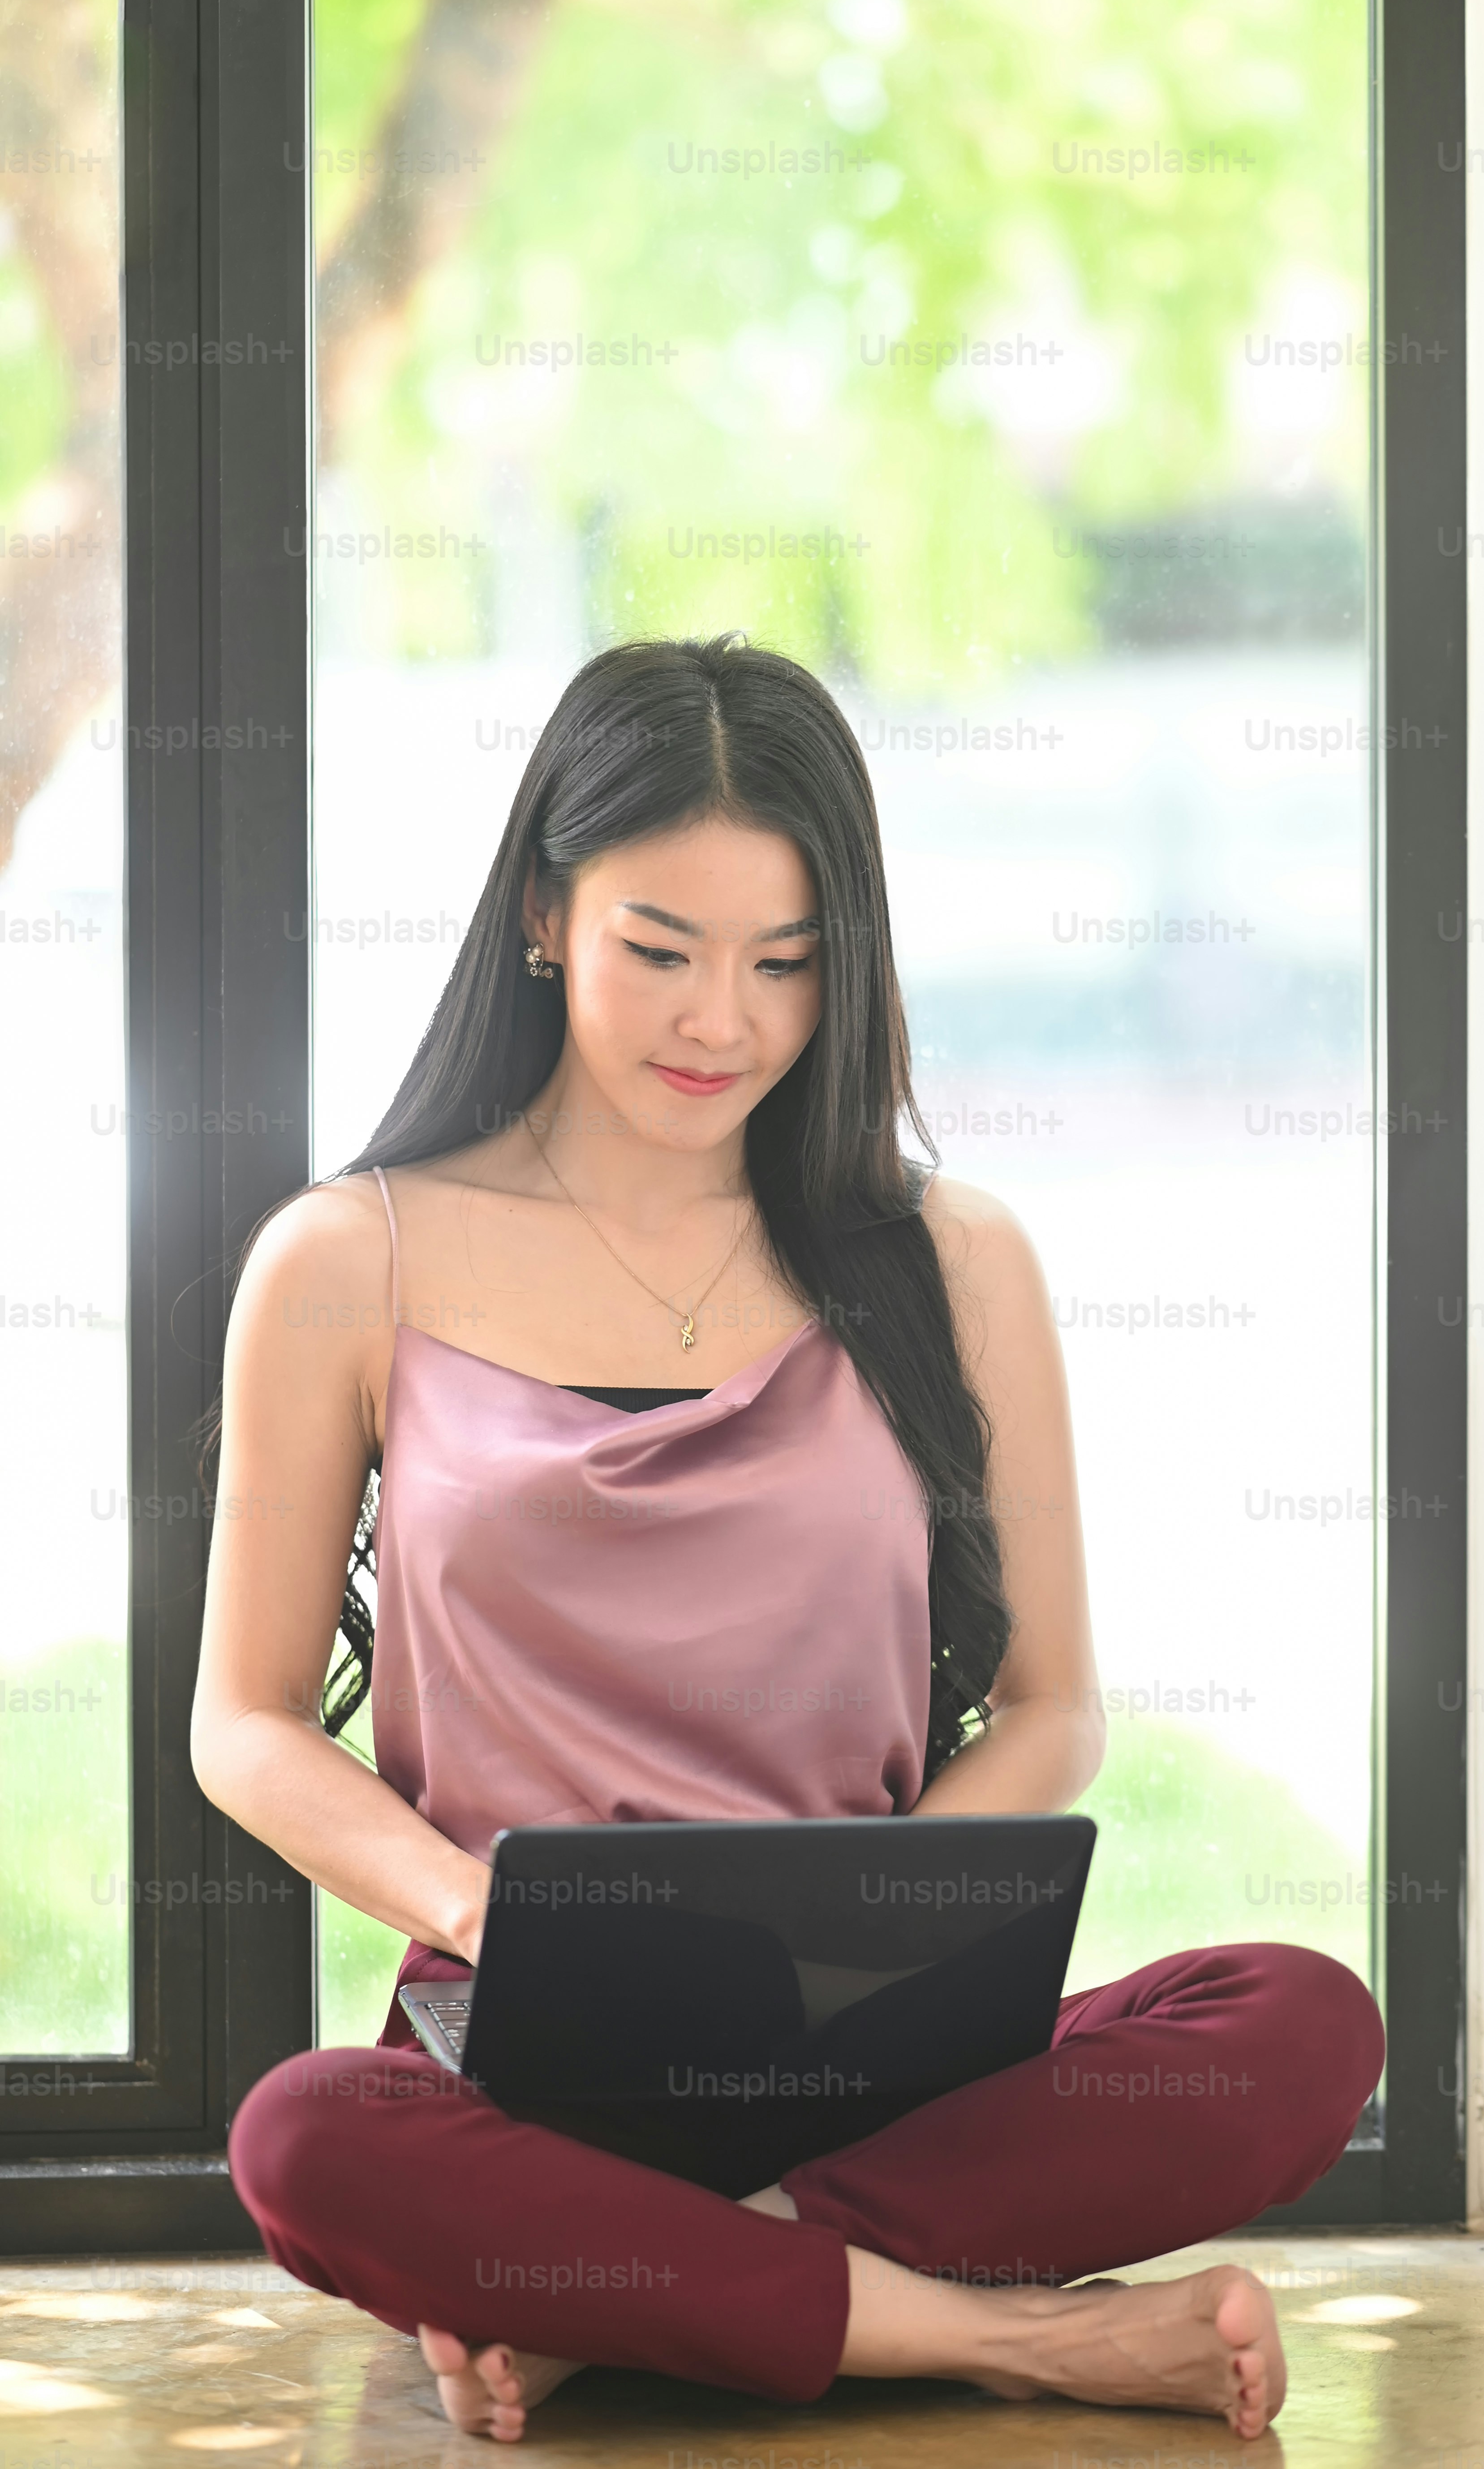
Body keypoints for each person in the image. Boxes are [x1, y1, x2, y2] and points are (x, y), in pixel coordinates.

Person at [192, 633, 1384, 2444]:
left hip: (875, 2033)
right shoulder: (349, 1260)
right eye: (658, 952)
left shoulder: (952, 1259)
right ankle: (1007, 2334)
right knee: (302, 2143)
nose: (719, 1024)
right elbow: (246, 1720)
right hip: (522, 2050)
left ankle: (631, 2298)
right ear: (539, 914)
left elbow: (1053, 1708)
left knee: (1299, 2018)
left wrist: (884, 1920)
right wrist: (474, 1907)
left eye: (783, 963)